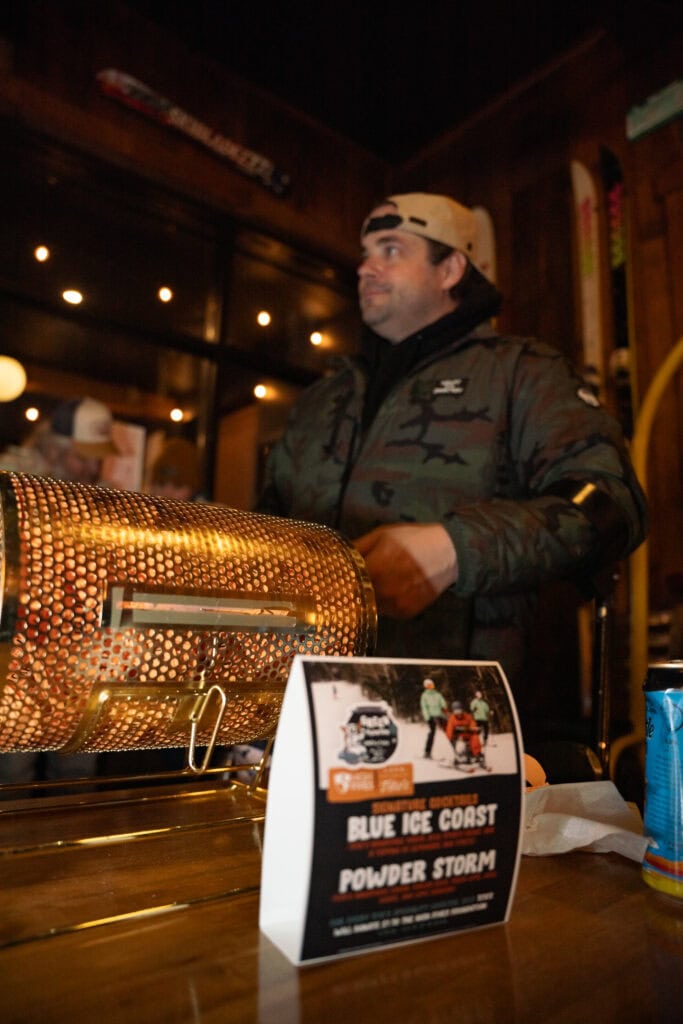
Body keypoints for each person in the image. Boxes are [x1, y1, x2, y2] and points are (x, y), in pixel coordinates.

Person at [254, 192, 647, 720]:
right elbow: (264, 527)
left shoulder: (521, 372)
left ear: (450, 269)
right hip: (297, 709)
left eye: (391, 249)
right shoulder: (321, 400)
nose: (365, 267)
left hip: (453, 718)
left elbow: (612, 504)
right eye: (366, 253)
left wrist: (454, 550)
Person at [0, 396, 119, 791]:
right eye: (82, 458)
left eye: (98, 459)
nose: (93, 469)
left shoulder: (102, 499)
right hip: (18, 655)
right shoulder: (11, 484)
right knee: (13, 776)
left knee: (77, 771)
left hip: (80, 655)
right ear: (54, 448)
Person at [444, 700, 483, 766]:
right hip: (459, 736)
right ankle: (460, 757)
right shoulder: (452, 719)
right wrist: (450, 738)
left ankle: (477, 754)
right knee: (460, 744)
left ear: (462, 710)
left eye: (459, 711)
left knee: (475, 737)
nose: (458, 714)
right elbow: (449, 729)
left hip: (468, 734)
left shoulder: (467, 716)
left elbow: (472, 723)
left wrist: (474, 729)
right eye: (456, 712)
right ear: (453, 712)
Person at [420, 677, 448, 758]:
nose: (431, 686)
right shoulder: (424, 696)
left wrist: (444, 708)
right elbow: (424, 707)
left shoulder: (437, 694)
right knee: (432, 733)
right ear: (426, 686)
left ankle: (456, 751)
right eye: (429, 685)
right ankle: (427, 752)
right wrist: (428, 717)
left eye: (432, 685)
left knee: (448, 730)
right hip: (431, 716)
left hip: (440, 715)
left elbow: (442, 702)